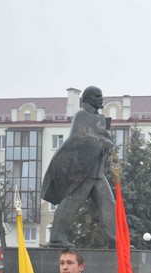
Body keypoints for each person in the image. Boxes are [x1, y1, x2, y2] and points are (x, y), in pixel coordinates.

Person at [42, 86, 116, 248]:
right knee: (72, 202)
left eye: (102, 96)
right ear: (88, 99)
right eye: (97, 96)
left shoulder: (96, 117)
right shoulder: (82, 115)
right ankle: (56, 238)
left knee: (109, 204)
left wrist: (106, 137)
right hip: (84, 171)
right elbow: (78, 138)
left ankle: (115, 240)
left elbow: (93, 135)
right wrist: (101, 141)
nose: (101, 99)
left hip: (97, 171)